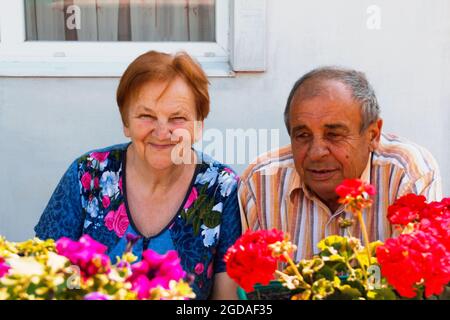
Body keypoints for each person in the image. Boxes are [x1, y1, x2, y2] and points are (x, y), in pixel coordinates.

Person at [35, 50, 241, 300]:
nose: (162, 132)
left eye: (177, 118)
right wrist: (75, 286)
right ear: (126, 122)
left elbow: (227, 300)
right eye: (146, 116)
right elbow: (44, 275)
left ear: (198, 126)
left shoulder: (221, 187)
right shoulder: (86, 174)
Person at [238, 66, 442, 261]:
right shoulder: (261, 182)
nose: (316, 153)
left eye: (334, 135)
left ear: (373, 134)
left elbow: (416, 284)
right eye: (303, 135)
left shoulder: (406, 174)